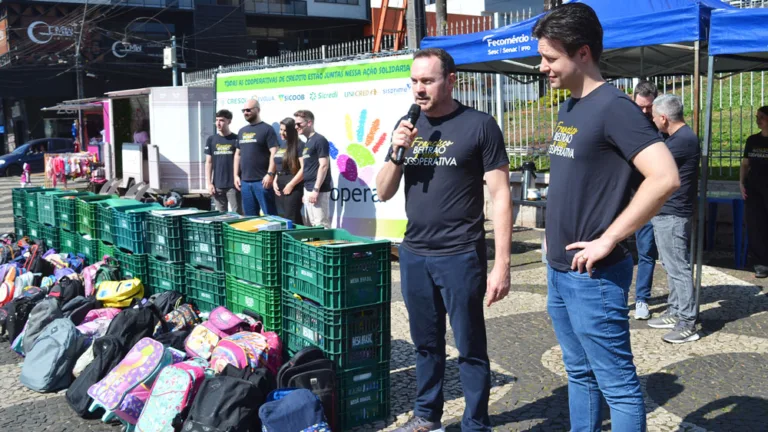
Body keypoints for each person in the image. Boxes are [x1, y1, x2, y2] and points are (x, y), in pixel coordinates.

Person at [534, 4, 680, 430]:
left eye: (550, 57)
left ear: (582, 53)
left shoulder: (615, 106)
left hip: (594, 275)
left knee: (617, 385)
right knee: (579, 374)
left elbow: (665, 176)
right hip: (560, 270)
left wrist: (609, 238)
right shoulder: (569, 109)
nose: (543, 67)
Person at [376, 48, 512, 432]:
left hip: (460, 254)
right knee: (425, 345)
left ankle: (475, 423)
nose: (419, 89)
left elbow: (500, 197)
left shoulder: (479, 125)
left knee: (470, 347)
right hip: (415, 252)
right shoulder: (407, 125)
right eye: (415, 81)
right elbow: (383, 191)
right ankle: (427, 416)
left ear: (450, 80)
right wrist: (398, 150)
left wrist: (501, 264)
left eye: (428, 81)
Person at [646, 94, 701, 343]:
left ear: (664, 118)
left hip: (673, 213)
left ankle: (687, 322)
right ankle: (675, 310)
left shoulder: (683, 141)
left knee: (678, 268)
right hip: (666, 211)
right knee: (670, 265)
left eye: (655, 117)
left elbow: (651, 163)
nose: (654, 121)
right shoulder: (676, 137)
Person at [632, 80, 660, 320]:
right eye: (640, 107)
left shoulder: (660, 128)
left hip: (647, 200)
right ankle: (616, 298)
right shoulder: (623, 123)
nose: (644, 112)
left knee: (646, 252)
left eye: (648, 108)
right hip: (621, 198)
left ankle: (642, 299)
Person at [235, 98, 279, 216]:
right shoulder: (241, 131)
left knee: (270, 217)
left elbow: (274, 151)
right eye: (243, 110)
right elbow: (237, 154)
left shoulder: (267, 129)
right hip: (245, 182)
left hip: (262, 181)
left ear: (258, 110)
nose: (245, 113)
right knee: (250, 218)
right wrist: (235, 175)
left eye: (248, 110)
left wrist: (270, 174)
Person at [740, 106, 768, 278]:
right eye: (757, 117)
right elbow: (745, 164)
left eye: (762, 117)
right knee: (756, 225)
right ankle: (761, 263)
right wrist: (741, 183)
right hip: (754, 188)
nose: (758, 120)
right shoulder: (752, 140)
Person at [294, 110, 331, 228]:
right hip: (308, 188)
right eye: (295, 124)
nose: (296, 127)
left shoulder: (319, 140)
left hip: (318, 190)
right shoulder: (307, 142)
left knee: (321, 224)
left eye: (299, 124)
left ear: (309, 123)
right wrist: (306, 190)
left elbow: (324, 165)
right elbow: (308, 168)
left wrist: (316, 190)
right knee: (312, 225)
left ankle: (326, 247)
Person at [205, 109, 242, 214]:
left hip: (233, 185)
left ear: (229, 121)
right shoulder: (211, 139)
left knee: (237, 214)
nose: (218, 123)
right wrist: (209, 183)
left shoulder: (236, 139)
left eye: (221, 120)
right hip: (217, 185)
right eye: (216, 120)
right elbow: (208, 162)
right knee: (221, 216)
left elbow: (239, 159)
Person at [273, 118, 305, 225]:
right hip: (281, 185)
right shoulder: (283, 145)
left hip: (293, 186)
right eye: (280, 130)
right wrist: (275, 181)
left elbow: (304, 168)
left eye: (284, 130)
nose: (281, 133)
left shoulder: (299, 145)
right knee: (289, 217)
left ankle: (293, 240)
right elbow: (280, 166)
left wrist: (291, 184)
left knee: (291, 217)